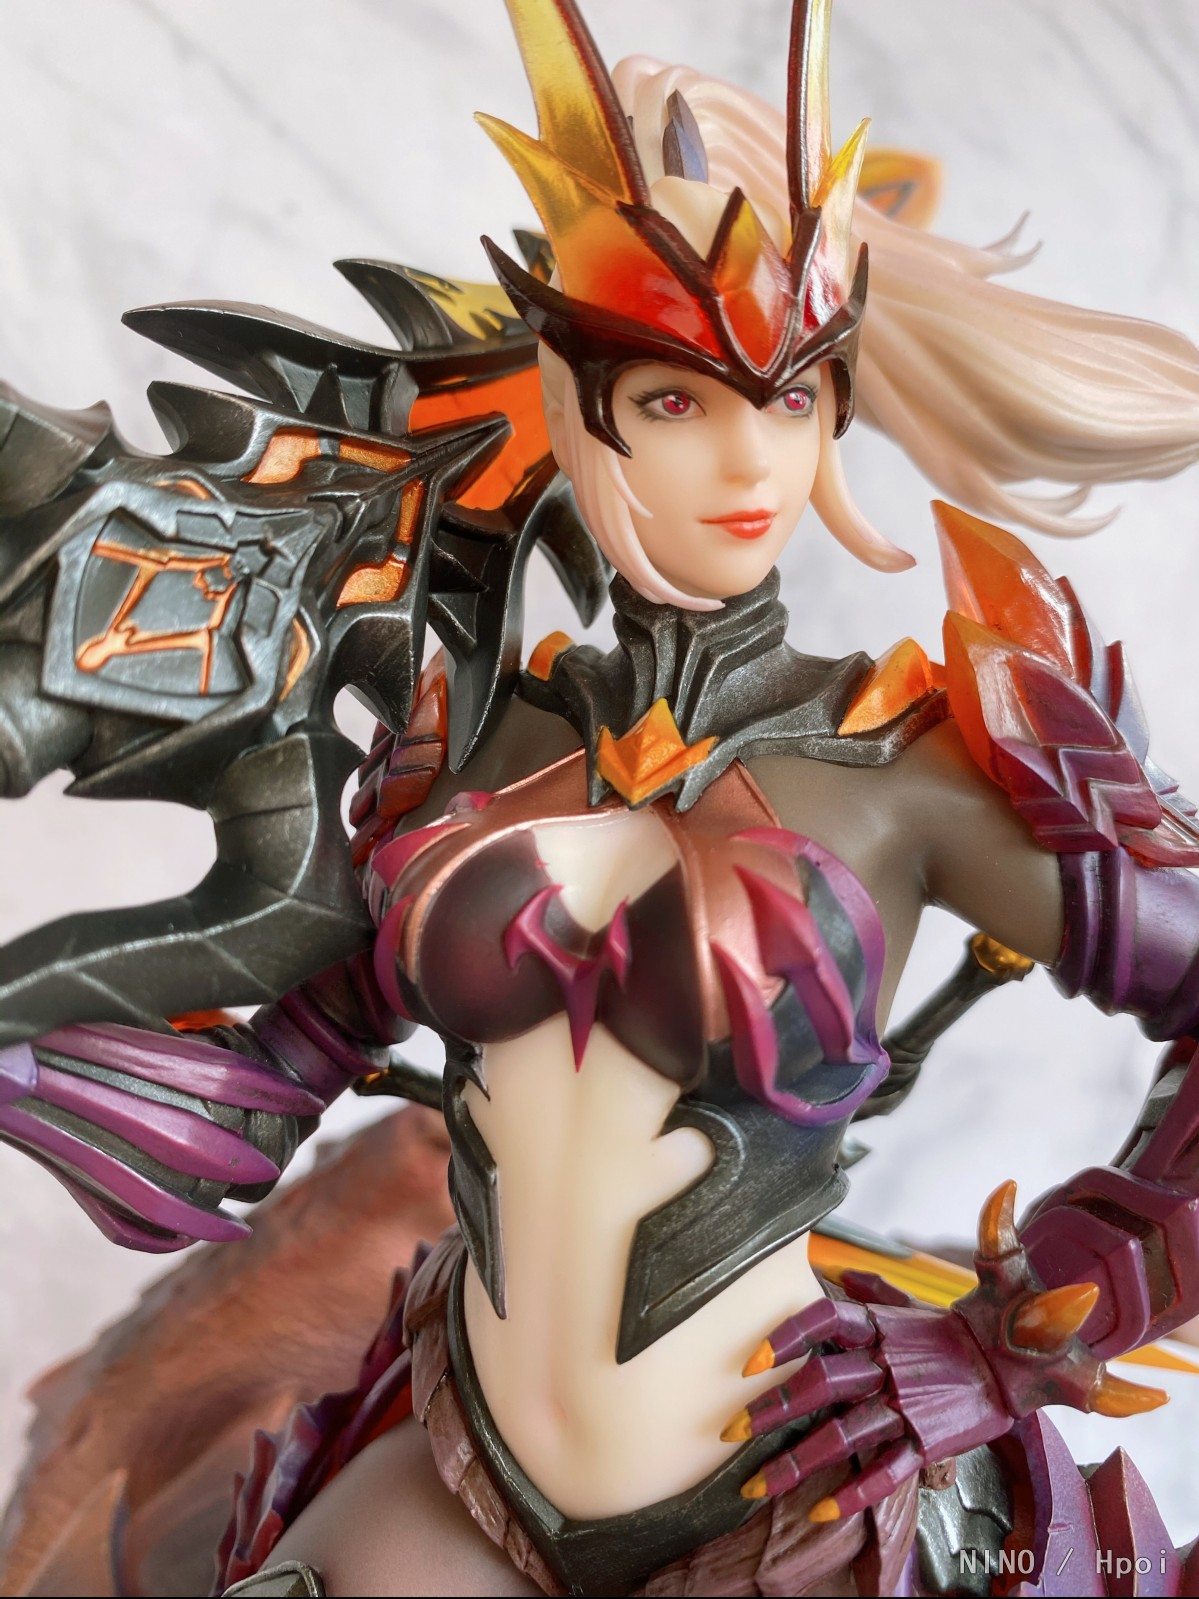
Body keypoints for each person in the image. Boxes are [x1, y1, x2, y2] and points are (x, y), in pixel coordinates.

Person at [5, 1, 1199, 1594]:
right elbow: (306, 1039)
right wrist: (126, 1062)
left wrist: (1012, 1338)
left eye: (790, 400)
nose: (748, 465)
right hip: (468, 1462)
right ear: (576, 407)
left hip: (800, 1484)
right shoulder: (480, 736)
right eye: (675, 403)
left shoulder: (915, 769)